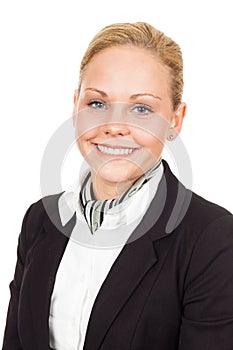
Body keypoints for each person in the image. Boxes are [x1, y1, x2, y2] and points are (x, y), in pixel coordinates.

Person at [2, 22, 233, 350]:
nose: (114, 126)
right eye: (97, 103)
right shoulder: (40, 220)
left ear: (175, 120)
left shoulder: (213, 239)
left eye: (142, 109)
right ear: (75, 107)